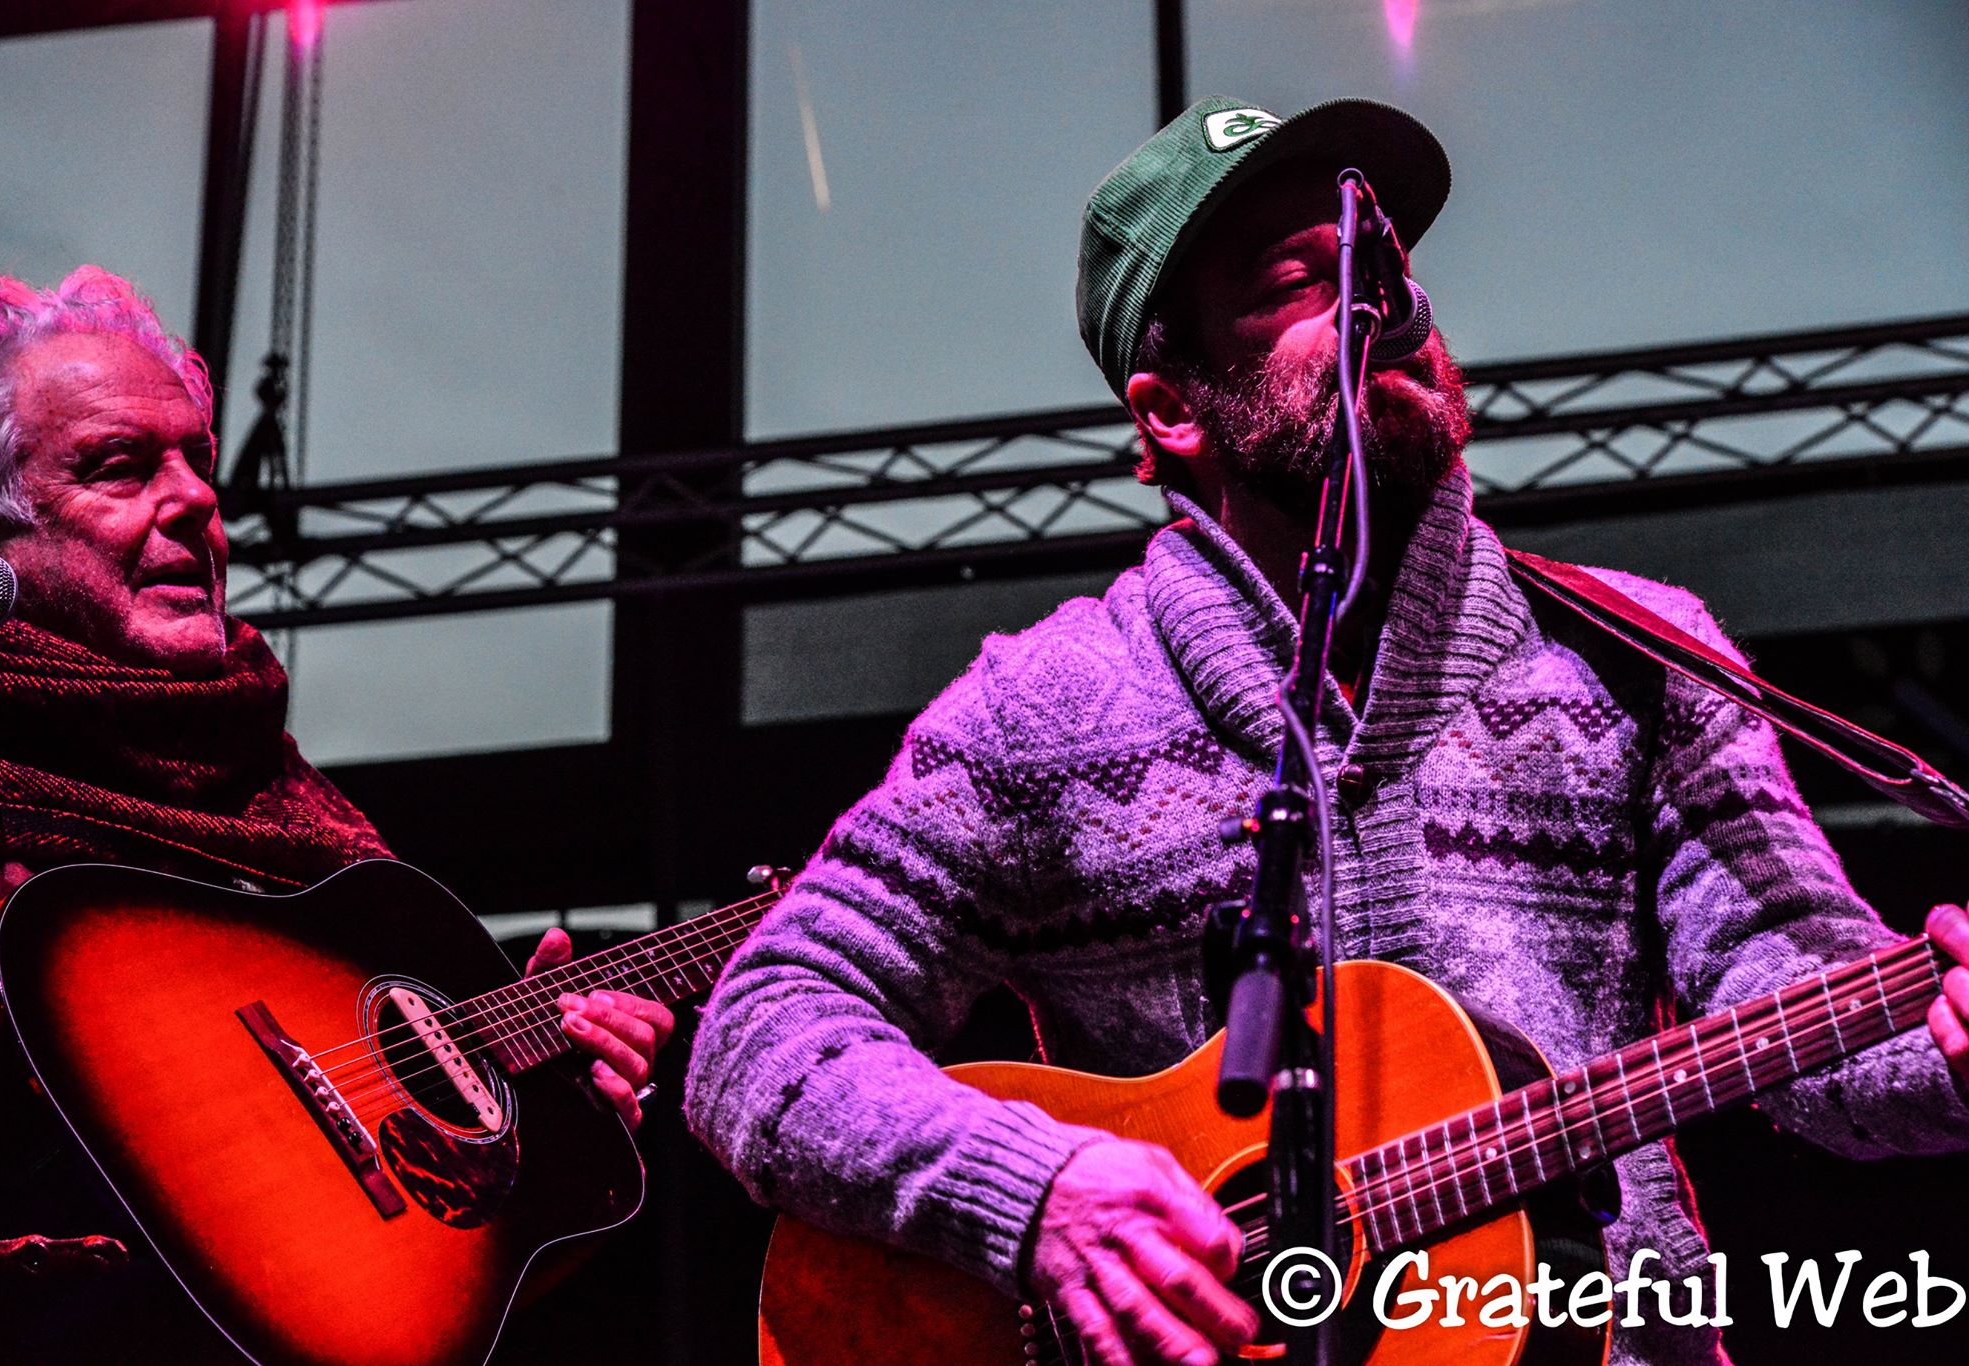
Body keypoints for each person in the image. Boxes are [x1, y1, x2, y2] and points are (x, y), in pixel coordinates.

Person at [683, 97, 1969, 1366]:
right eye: (1306, 279)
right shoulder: (1039, 707)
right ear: (1173, 410)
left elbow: (1807, 1022)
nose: (1384, 304)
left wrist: (1949, 1053)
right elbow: (761, 1029)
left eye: (1387, 265)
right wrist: (1036, 1191)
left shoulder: (1643, 655)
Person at [0, 267, 671, 1358]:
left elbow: (383, 1289)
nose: (195, 501)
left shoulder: (291, 815)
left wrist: (540, 1134)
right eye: (120, 468)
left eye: (198, 464)